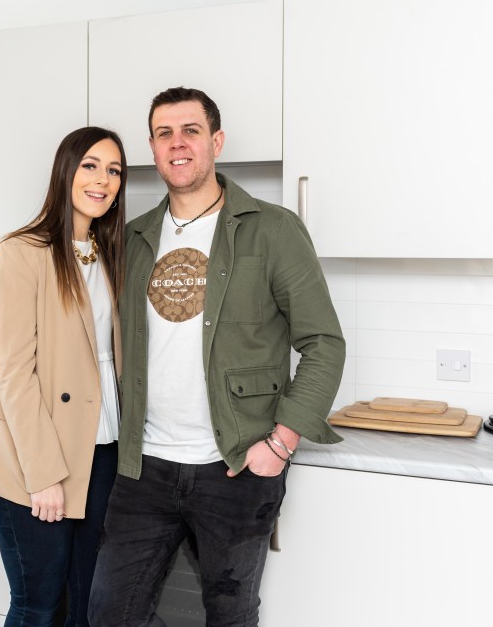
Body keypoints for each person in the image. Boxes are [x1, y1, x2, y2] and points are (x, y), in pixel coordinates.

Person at [88, 87, 345, 627]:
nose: (177, 144)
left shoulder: (270, 229)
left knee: (229, 615)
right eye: (163, 134)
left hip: (235, 466)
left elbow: (323, 343)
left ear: (216, 141)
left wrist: (280, 443)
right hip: (144, 467)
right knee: (111, 614)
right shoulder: (134, 238)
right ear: (152, 149)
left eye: (191, 131)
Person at [0, 126, 128, 627]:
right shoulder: (20, 253)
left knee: (85, 603)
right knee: (40, 603)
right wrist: (44, 473)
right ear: (65, 171)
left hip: (101, 447)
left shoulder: (110, 253)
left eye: (114, 170)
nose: (102, 180)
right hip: (30, 455)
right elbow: (14, 372)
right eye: (90, 166)